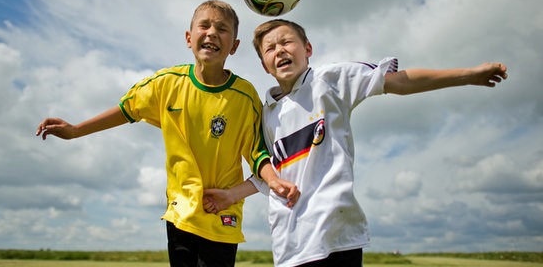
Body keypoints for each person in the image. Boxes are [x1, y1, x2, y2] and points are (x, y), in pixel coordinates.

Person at [202, 19, 508, 267]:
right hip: (289, 243)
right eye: (270, 48)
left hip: (337, 235)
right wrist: (230, 196)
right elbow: (267, 176)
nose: (279, 50)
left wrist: (469, 75)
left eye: (287, 42)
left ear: (307, 49)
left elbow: (398, 82)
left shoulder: (329, 80)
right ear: (265, 66)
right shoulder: (267, 114)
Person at [35, 1, 299, 267]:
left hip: (222, 212)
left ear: (234, 46)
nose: (211, 33)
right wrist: (75, 130)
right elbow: (126, 110)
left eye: (222, 28)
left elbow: (257, 153)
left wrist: (273, 180)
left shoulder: (245, 96)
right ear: (188, 37)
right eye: (204, 25)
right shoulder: (166, 83)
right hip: (181, 212)